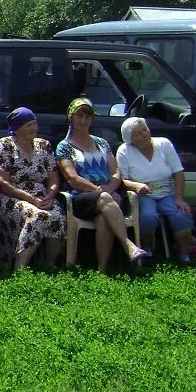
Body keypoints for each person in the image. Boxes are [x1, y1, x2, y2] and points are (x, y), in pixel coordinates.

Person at [55, 97, 149, 271]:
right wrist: (100, 190)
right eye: (79, 116)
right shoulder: (64, 146)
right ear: (71, 117)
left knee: (103, 219)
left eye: (87, 117)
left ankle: (102, 269)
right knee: (105, 198)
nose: (83, 121)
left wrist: (111, 187)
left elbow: (116, 172)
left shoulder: (102, 143)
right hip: (81, 197)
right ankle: (129, 245)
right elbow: (72, 178)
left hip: (108, 197)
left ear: (92, 119)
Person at [0, 107, 66, 270]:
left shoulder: (44, 145)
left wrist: (51, 195)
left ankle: (49, 264)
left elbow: (53, 178)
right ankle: (20, 268)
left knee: (57, 216)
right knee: (36, 216)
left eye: (34, 124)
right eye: (28, 125)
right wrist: (32, 200)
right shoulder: (5, 145)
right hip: (12, 195)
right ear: (17, 129)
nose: (34, 128)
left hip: (42, 196)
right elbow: (3, 183)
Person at [116, 116, 194, 262]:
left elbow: (178, 172)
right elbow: (122, 180)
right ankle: (147, 250)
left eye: (145, 130)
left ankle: (184, 256)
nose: (144, 134)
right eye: (138, 133)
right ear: (130, 139)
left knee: (181, 215)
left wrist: (179, 197)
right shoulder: (124, 151)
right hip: (144, 193)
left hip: (168, 192)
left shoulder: (164, 144)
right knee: (148, 217)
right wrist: (136, 186)